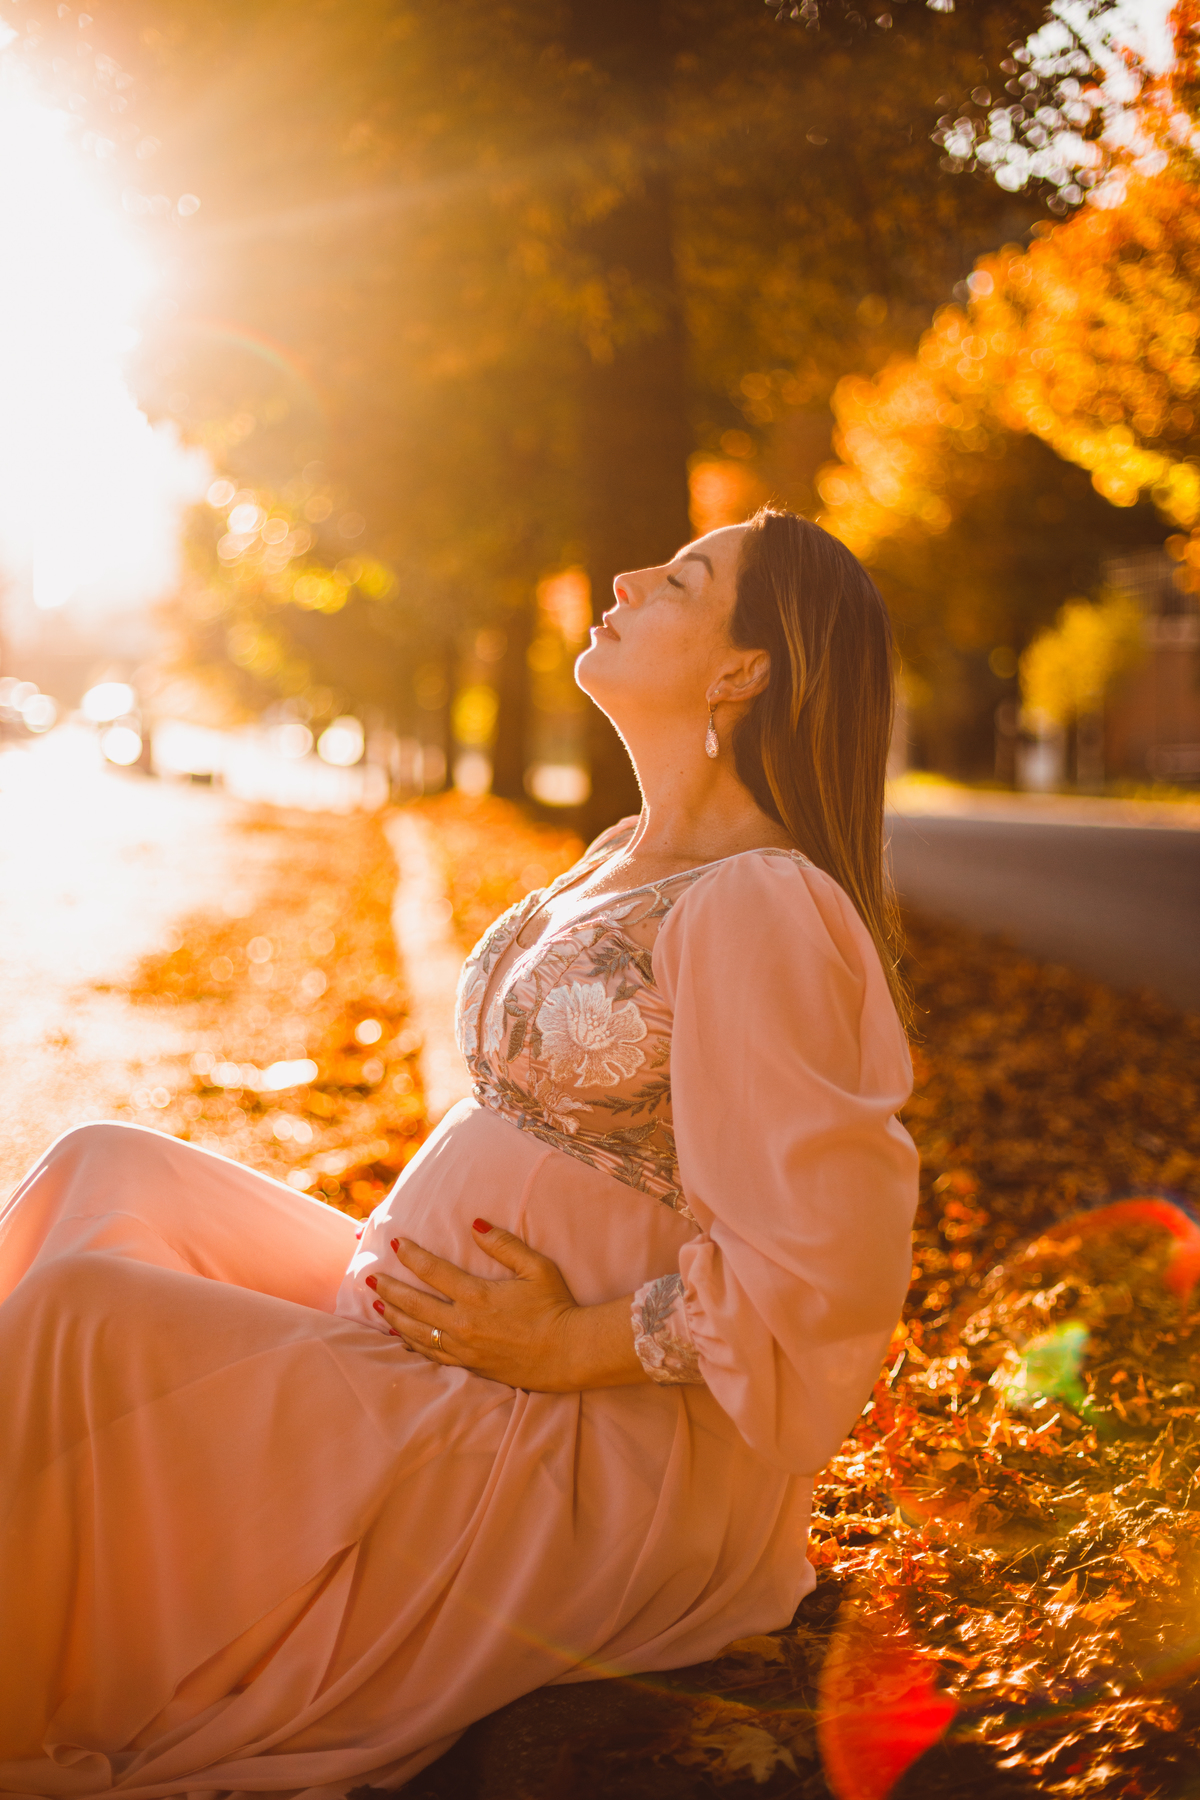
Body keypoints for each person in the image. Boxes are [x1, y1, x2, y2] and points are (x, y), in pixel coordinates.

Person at [0, 507, 918, 1797]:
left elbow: (831, 1277)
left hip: (572, 1437)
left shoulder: (764, 904)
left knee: (86, 1314)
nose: (626, 573)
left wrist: (567, 1345)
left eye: (683, 578)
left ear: (743, 670)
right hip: (443, 1342)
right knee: (107, 1165)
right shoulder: (626, 856)